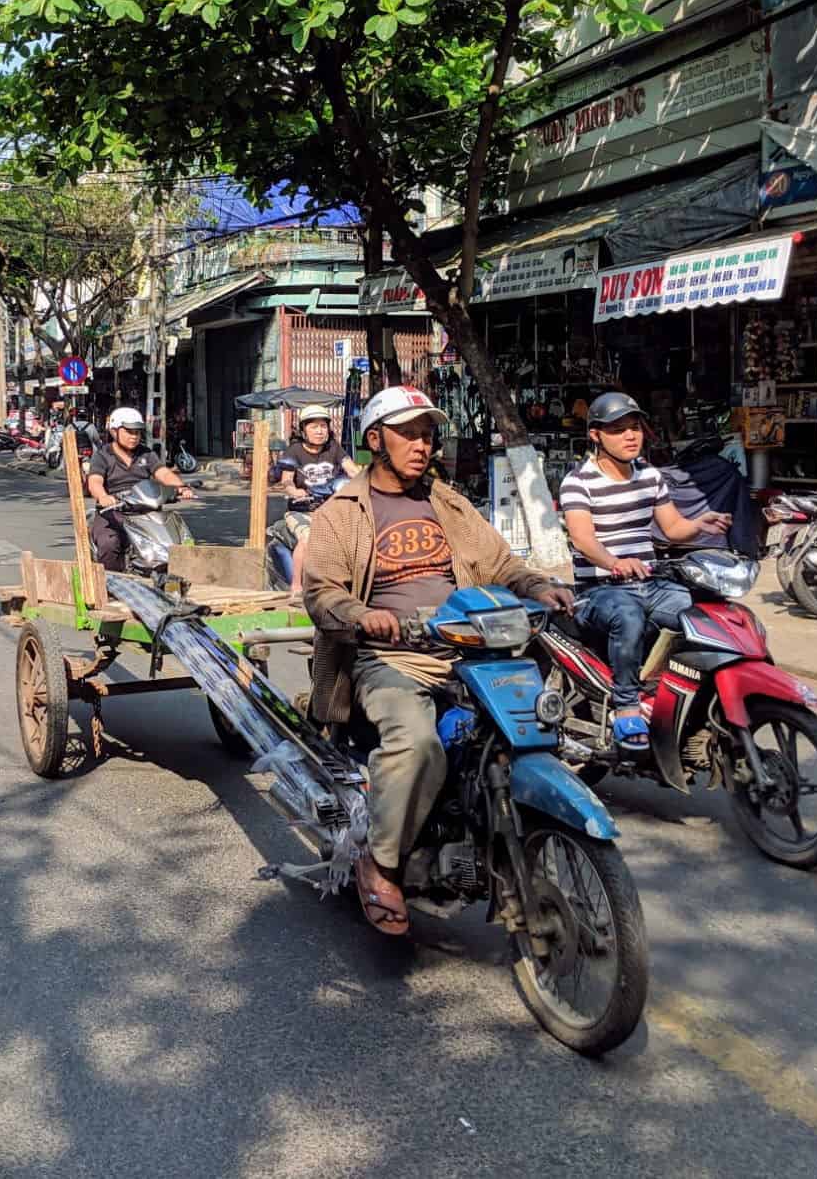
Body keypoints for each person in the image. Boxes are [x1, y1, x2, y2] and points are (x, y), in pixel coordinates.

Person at [302, 386, 572, 935]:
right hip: (388, 657)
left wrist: (537, 586)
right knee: (416, 741)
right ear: (375, 439)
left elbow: (501, 562)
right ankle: (380, 862)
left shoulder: (447, 502)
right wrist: (360, 613)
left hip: (468, 650)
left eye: (428, 434)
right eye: (407, 433)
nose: (421, 444)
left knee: (532, 728)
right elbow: (321, 590)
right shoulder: (342, 512)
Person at [558, 392, 732, 752]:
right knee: (628, 616)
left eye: (634, 428)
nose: (630, 436)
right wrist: (614, 563)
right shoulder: (578, 482)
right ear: (596, 436)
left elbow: (672, 528)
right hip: (599, 591)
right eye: (618, 430)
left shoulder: (650, 476)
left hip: (650, 583)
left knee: (703, 617)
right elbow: (583, 539)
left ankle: (689, 697)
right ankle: (626, 708)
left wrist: (701, 522)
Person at [85, 406, 194, 571]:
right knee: (109, 544)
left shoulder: (146, 454)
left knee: (175, 540)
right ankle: (112, 585)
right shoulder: (102, 455)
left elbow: (163, 473)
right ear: (114, 431)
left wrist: (181, 487)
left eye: (137, 432)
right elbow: (95, 481)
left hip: (146, 511)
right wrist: (103, 497)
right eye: (129, 431)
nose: (134, 436)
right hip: (113, 513)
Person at [269, 403, 358, 591]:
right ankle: (297, 587)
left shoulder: (333, 448)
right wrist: (295, 492)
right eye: (314, 426)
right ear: (303, 430)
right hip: (302, 510)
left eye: (323, 426)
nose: (320, 431)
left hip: (332, 509)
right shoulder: (294, 451)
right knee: (308, 538)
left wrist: (365, 482)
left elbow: (352, 470)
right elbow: (286, 481)